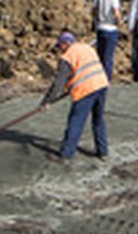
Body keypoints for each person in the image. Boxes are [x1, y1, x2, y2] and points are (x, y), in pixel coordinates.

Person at [42, 30, 110, 160]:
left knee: (76, 121)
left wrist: (47, 101)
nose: (60, 50)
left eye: (60, 46)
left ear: (65, 43)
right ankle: (103, 151)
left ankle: (66, 153)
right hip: (101, 85)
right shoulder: (87, 48)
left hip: (86, 90)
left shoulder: (68, 56)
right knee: (98, 119)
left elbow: (58, 83)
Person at [92, 0, 123, 80]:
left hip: (100, 27)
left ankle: (98, 77)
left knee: (100, 55)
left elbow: (94, 11)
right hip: (110, 28)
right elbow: (116, 12)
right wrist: (119, 22)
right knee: (108, 56)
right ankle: (106, 78)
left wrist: (97, 21)